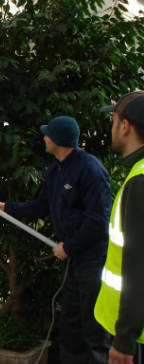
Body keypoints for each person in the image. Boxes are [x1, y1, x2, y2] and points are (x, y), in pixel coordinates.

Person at [0, 116, 111, 363]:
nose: (43, 137)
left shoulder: (90, 169)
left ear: (58, 140)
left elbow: (98, 221)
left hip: (91, 260)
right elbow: (41, 206)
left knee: (93, 325)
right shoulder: (55, 170)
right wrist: (6, 207)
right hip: (70, 260)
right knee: (71, 324)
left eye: (47, 134)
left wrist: (70, 247)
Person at [95, 91, 144, 364]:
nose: (111, 128)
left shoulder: (139, 182)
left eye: (113, 120)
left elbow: (138, 266)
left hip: (136, 337)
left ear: (124, 126)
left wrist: (124, 341)